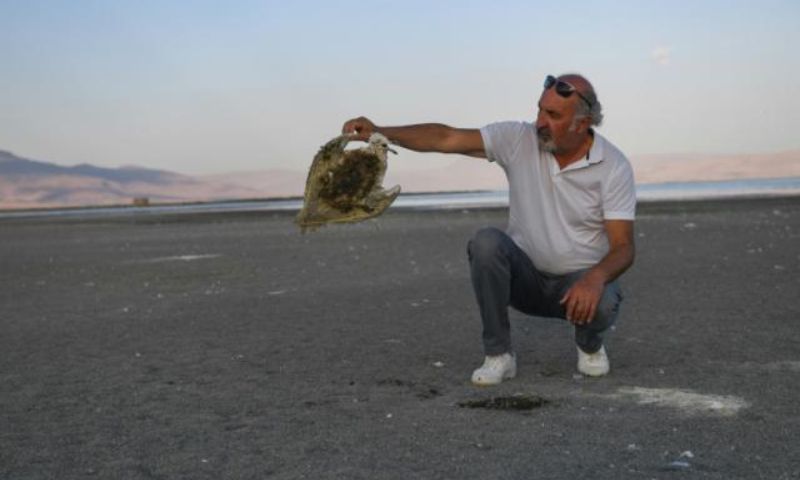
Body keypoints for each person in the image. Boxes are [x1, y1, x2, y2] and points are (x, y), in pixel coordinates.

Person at [342, 73, 636, 386]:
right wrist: (380, 132)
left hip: (578, 289)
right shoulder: (519, 139)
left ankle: (589, 345)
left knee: (605, 298)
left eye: (553, 115)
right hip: (524, 281)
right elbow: (446, 138)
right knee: (486, 243)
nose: (540, 122)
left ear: (582, 122)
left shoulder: (613, 165)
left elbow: (623, 247)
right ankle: (499, 356)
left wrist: (594, 278)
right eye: (539, 110)